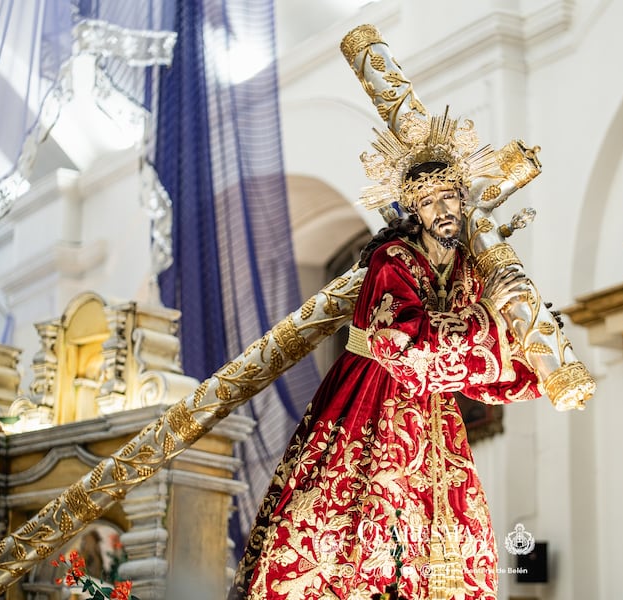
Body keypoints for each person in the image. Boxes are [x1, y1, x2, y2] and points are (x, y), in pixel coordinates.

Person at [228, 120, 542, 600]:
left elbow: (471, 371)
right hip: (371, 403)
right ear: (412, 209)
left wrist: (532, 362)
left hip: (436, 421)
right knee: (360, 538)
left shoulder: (464, 268)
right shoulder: (391, 259)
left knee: (452, 550)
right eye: (429, 200)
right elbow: (404, 345)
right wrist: (489, 317)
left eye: (451, 197)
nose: (443, 210)